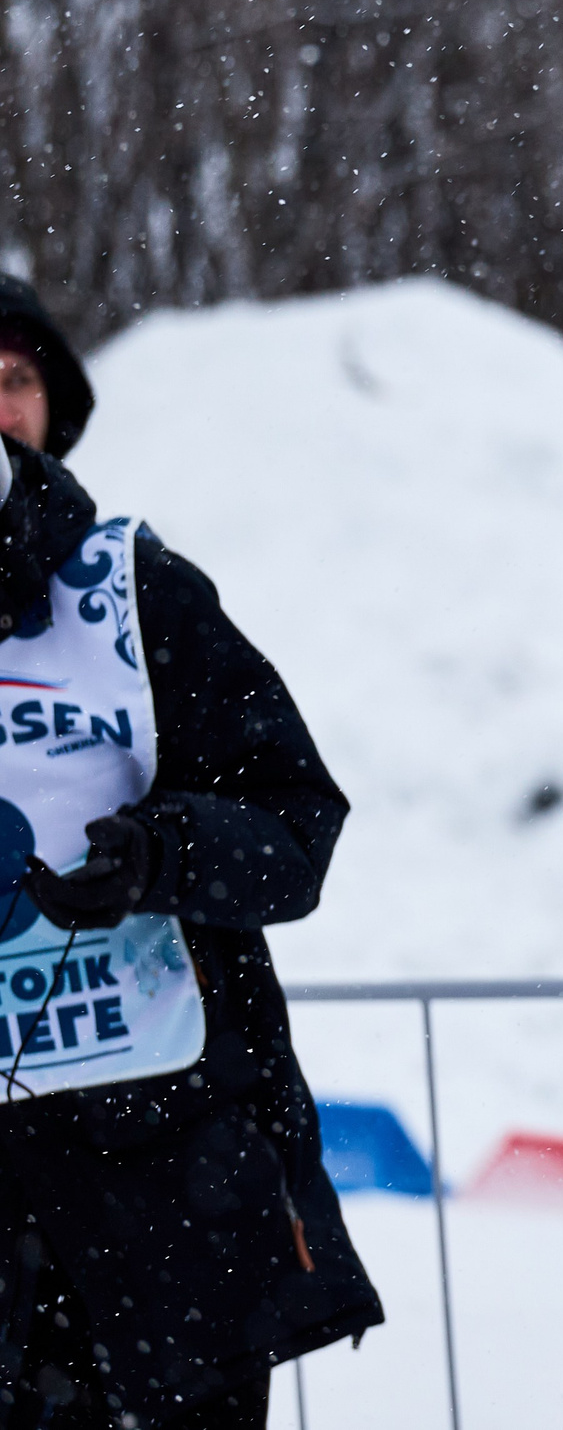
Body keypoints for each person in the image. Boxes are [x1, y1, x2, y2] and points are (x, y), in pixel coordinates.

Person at [0, 275, 381, 1428]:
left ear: (53, 409)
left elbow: (295, 829)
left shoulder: (131, 593)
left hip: (163, 1191)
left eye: (13, 379)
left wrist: (162, 856)